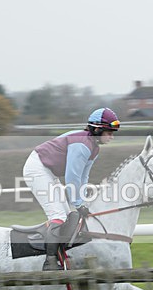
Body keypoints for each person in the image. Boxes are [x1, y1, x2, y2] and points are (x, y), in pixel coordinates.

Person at [23, 107, 121, 270]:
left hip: (48, 171)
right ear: (97, 130)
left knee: (70, 215)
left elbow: (83, 177)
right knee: (58, 216)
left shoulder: (94, 148)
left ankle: (62, 255)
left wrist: (83, 202)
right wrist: (78, 203)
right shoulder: (82, 144)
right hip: (37, 169)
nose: (112, 137)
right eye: (109, 132)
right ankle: (49, 262)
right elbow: (72, 177)